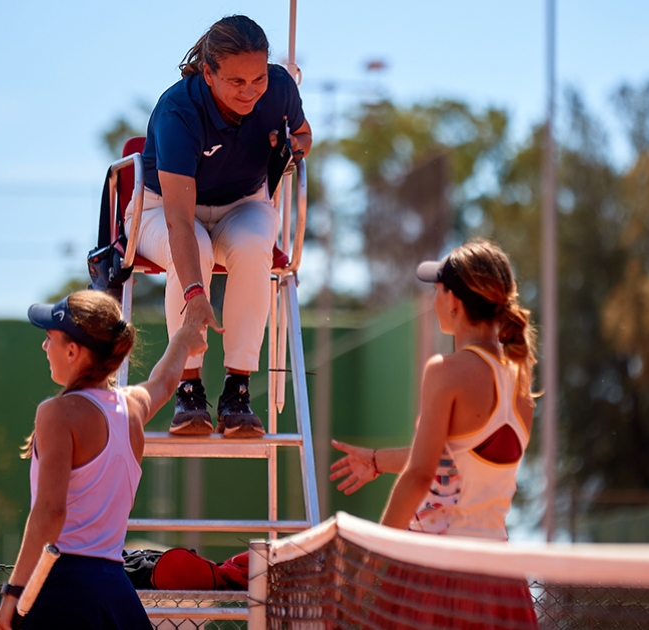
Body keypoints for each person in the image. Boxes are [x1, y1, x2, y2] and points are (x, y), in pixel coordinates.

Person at [130, 14, 313, 438]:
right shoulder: (178, 110)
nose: (250, 92)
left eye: (258, 79)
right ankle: (188, 388)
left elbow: (304, 135)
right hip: (167, 210)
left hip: (243, 203)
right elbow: (178, 218)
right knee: (196, 247)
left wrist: (292, 151)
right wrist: (196, 293)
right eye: (236, 82)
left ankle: (238, 390)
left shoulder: (281, 88)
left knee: (253, 247)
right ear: (208, 73)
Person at [0, 290, 206, 630]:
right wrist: (184, 339)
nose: (44, 348)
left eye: (50, 339)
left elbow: (50, 513)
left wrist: (12, 595)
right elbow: (164, 383)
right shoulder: (131, 406)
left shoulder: (56, 413)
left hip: (62, 591)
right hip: (115, 592)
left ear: (73, 351)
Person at [331, 239, 538, 537]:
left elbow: (420, 475)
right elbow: (456, 462)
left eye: (437, 290)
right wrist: (377, 461)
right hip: (500, 573)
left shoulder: (445, 371)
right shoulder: (521, 383)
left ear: (453, 300)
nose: (433, 300)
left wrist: (373, 558)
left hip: (440, 570)